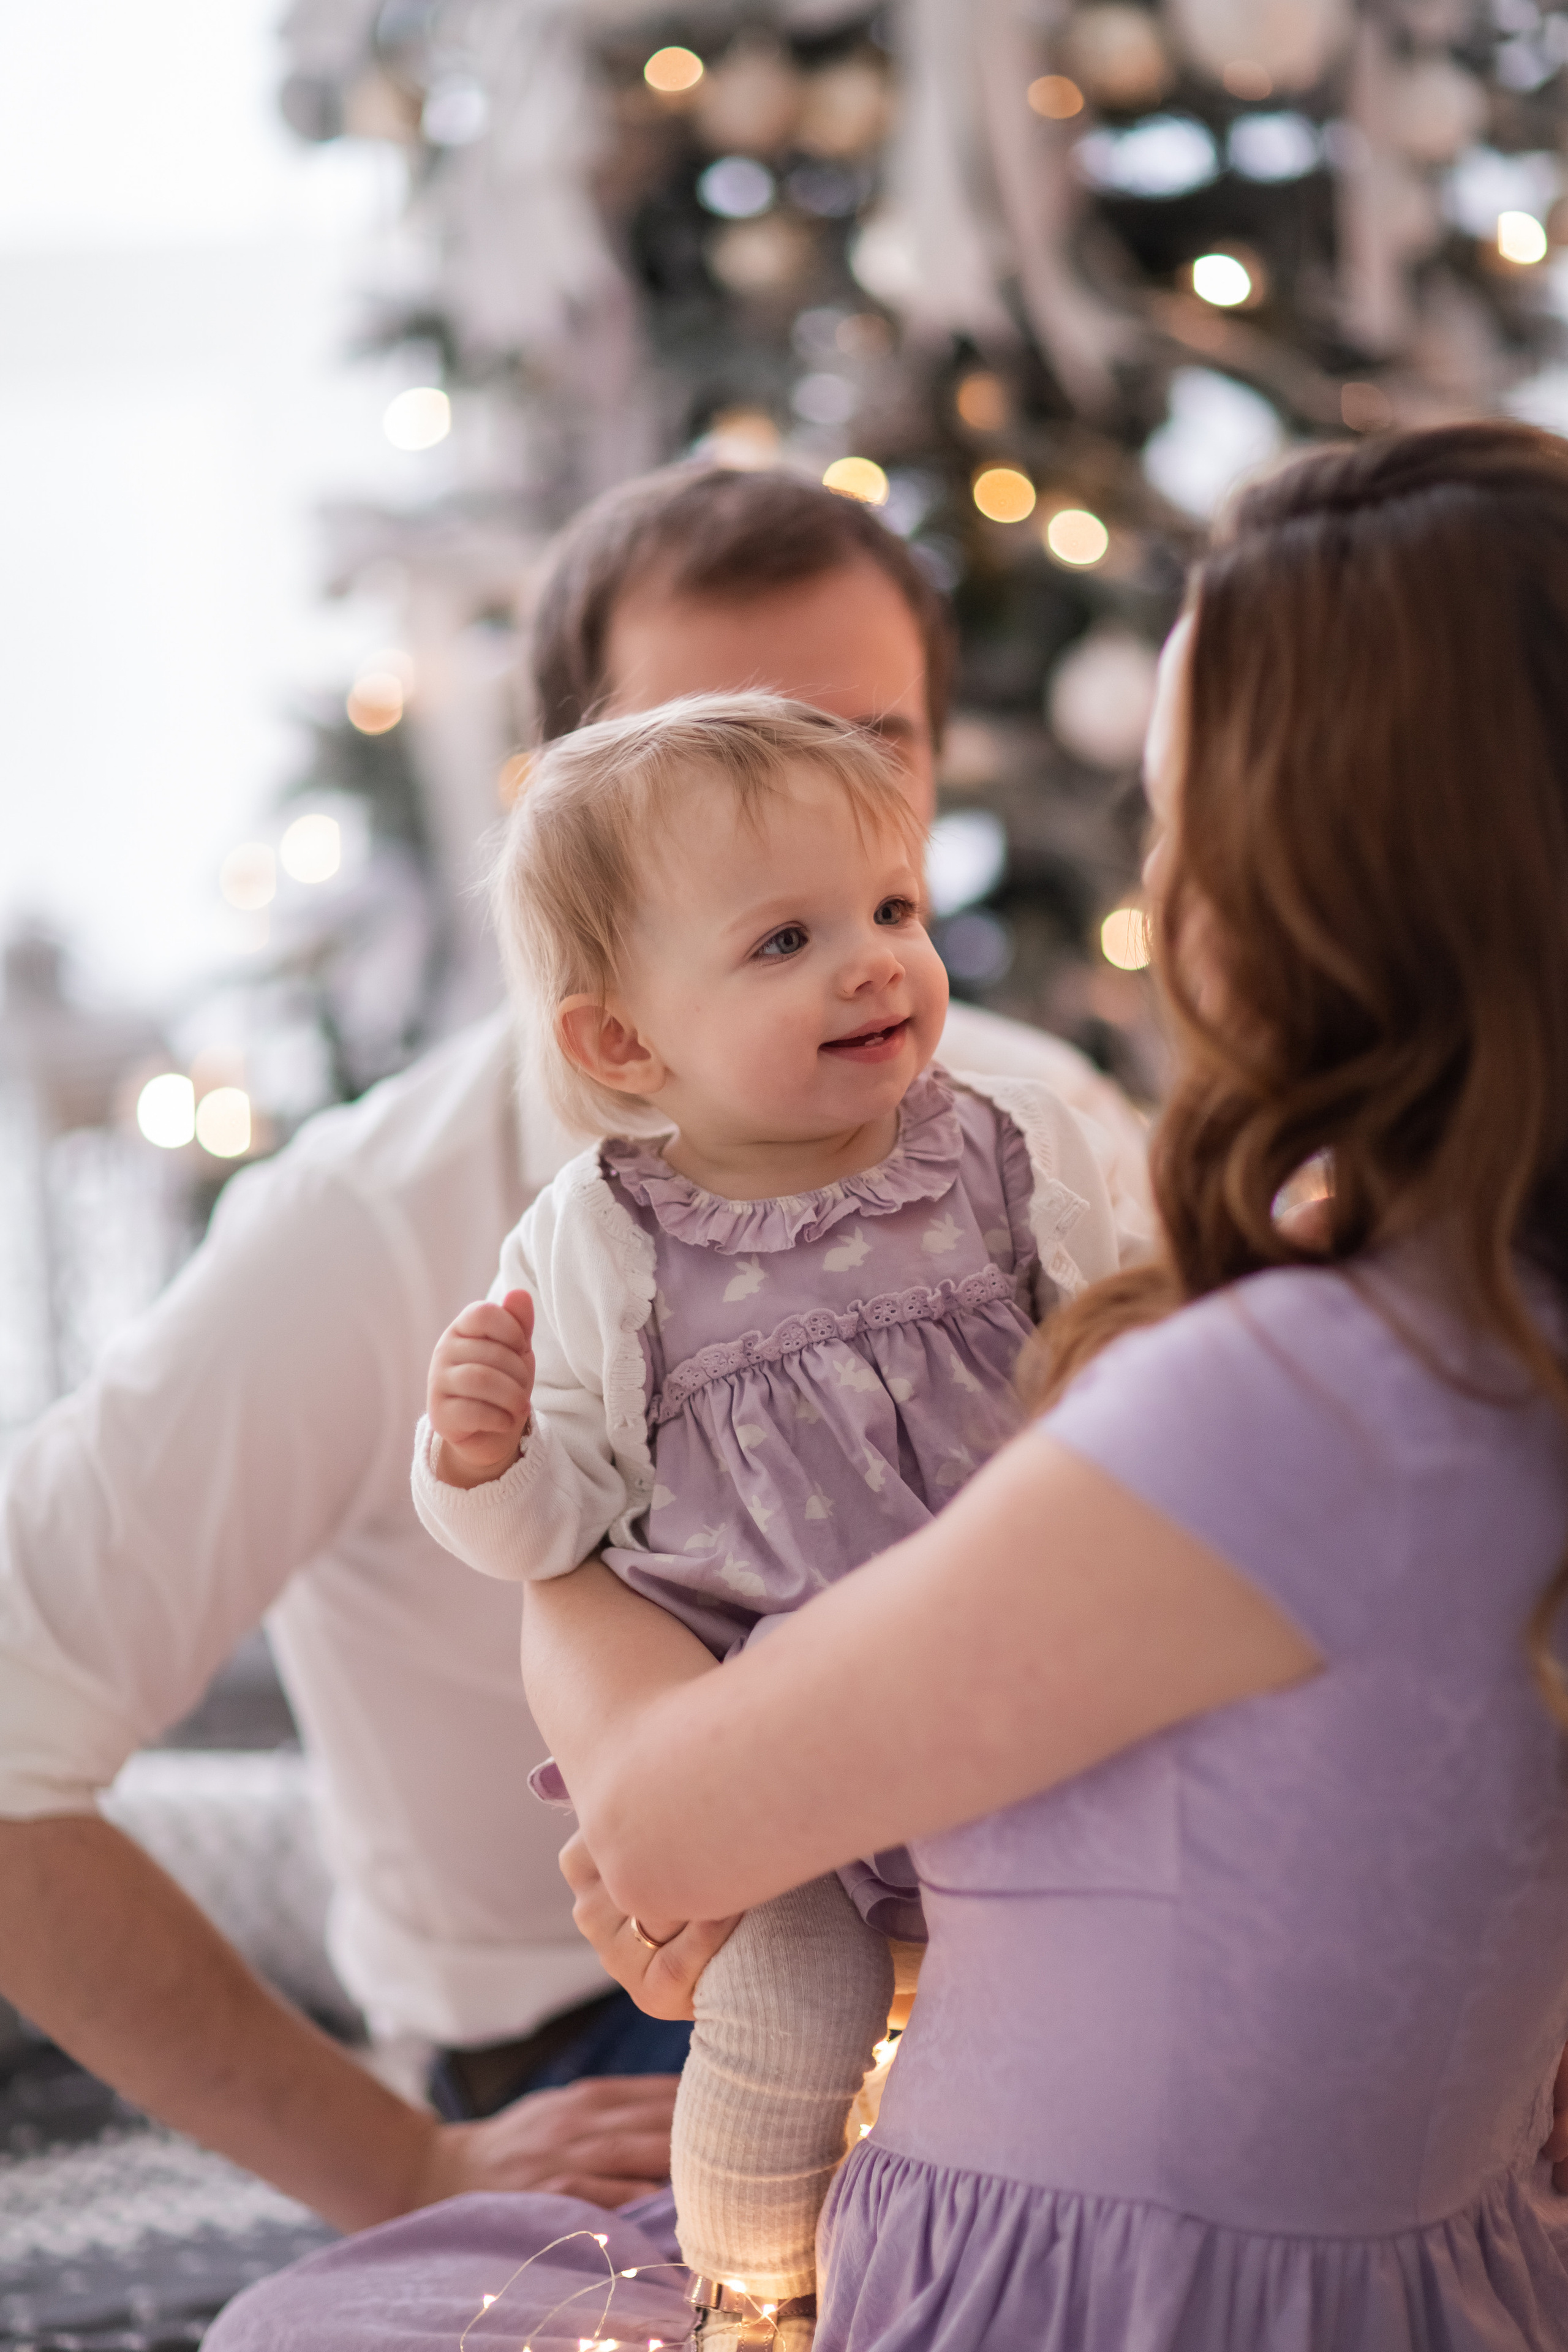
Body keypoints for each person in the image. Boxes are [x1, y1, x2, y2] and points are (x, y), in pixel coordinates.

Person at [208, 423, 1568, 2351]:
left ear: (1321, 883)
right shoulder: (1496, 1304)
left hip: (1107, 2294)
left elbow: (675, 1825)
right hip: (1431, 2257)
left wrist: (577, 1558)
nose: (1159, 878)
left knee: (296, 2332)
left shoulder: (1281, 1396)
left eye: (1181, 817)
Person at [0, 462, 1149, 2233]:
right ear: (566, 807)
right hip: (612, 2023)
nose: (812, 802)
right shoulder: (379, 1223)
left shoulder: (1031, 1126)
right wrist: (394, 2165)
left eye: (872, 740)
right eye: (716, 744)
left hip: (1045, 1904)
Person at [415, 694, 1122, 2345]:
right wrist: (479, 1458)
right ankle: (753, 2291)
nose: (877, 963)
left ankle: (1004, 2276)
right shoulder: (597, 1245)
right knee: (786, 2018)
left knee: (1055, 2021)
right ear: (621, 1043)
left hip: (1014, 1693)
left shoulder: (1007, 1154)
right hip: (766, 1741)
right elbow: (561, 1530)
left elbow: (1111, 1372)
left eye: (893, 910)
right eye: (787, 938)